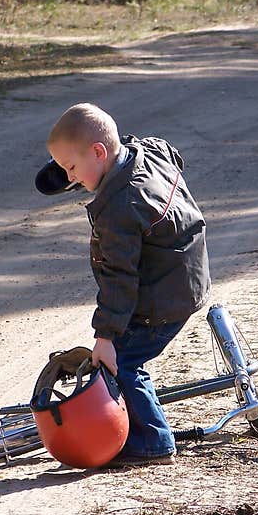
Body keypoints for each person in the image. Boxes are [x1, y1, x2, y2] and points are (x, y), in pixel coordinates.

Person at [43, 102, 211, 467]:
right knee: (121, 353)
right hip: (185, 277)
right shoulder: (148, 151)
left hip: (165, 299)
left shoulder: (119, 209)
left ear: (99, 152)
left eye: (71, 168)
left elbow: (120, 280)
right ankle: (138, 422)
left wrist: (105, 339)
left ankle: (152, 442)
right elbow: (169, 153)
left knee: (123, 362)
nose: (70, 179)